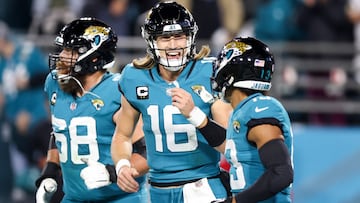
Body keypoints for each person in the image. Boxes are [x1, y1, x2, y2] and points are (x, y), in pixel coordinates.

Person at [110, 1, 232, 203]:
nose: (174, 44)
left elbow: (231, 146)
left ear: (190, 37)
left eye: (179, 36)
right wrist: (122, 165)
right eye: (165, 37)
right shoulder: (134, 78)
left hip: (203, 187)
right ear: (151, 41)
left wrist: (195, 115)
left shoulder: (210, 73)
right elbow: (122, 135)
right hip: (158, 190)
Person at [34, 17, 149, 203]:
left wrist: (111, 172)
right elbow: (61, 130)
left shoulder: (118, 90)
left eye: (71, 51)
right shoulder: (54, 83)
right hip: (73, 198)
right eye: (63, 49)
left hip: (121, 198)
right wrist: (51, 169)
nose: (62, 56)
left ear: (94, 57)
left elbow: (148, 151)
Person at [176, 37, 294, 202]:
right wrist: (195, 115)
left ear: (230, 73)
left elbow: (281, 173)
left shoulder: (260, 108)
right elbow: (231, 145)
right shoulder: (244, 110)